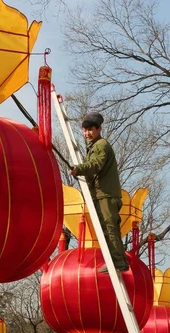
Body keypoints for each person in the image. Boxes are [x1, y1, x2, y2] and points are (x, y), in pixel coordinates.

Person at [70, 112, 129, 273]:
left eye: (90, 130)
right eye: (84, 130)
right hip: (103, 193)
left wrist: (79, 169)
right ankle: (119, 261)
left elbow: (96, 164)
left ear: (99, 129)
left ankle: (117, 262)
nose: (87, 133)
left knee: (109, 228)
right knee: (109, 229)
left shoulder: (101, 145)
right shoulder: (94, 146)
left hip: (106, 194)